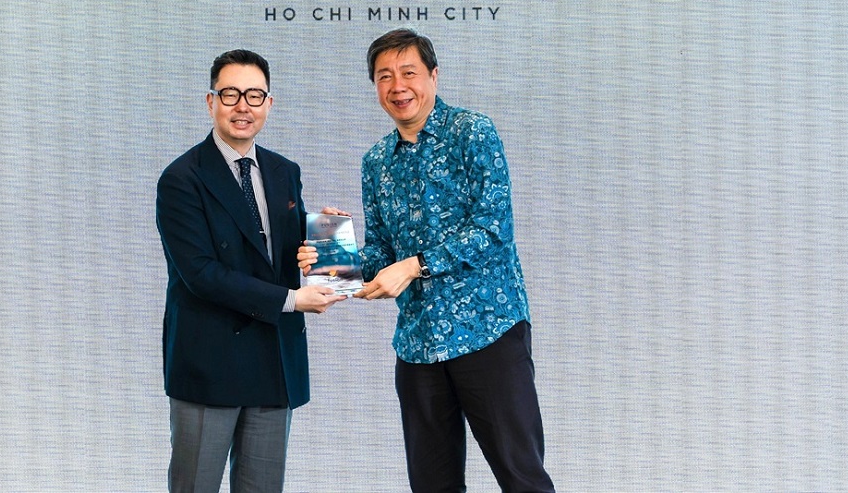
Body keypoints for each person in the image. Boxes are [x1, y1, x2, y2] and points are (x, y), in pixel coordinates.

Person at [300, 29, 554, 493]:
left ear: (433, 76)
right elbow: (382, 253)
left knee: (523, 479)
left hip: (488, 331)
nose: (398, 86)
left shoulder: (472, 132)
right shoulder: (376, 161)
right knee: (431, 486)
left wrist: (415, 265)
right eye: (384, 77)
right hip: (418, 345)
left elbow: (492, 228)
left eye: (409, 73)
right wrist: (334, 254)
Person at [157, 49, 343, 493]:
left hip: (273, 359)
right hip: (209, 362)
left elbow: (280, 249)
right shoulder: (181, 178)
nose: (243, 106)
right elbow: (200, 273)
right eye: (231, 94)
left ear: (269, 103)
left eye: (255, 95)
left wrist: (326, 237)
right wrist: (292, 300)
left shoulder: (284, 171)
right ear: (211, 102)